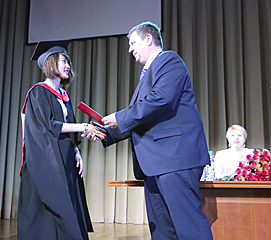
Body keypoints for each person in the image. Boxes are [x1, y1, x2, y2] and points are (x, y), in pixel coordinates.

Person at [101, 22, 213, 239]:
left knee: (188, 226)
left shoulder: (169, 60)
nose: (130, 49)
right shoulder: (149, 73)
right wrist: (105, 132)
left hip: (175, 159)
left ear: (149, 39)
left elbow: (160, 101)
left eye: (133, 43)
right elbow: (142, 118)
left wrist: (119, 118)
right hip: (155, 164)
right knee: (162, 230)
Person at [17, 41, 105, 240]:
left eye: (68, 62)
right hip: (45, 161)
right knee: (48, 214)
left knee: (68, 208)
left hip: (64, 159)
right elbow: (49, 125)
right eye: (64, 61)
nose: (68, 66)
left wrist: (77, 153)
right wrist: (83, 127)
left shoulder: (64, 96)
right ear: (50, 63)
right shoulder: (38, 92)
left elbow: (69, 130)